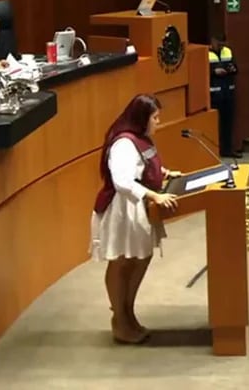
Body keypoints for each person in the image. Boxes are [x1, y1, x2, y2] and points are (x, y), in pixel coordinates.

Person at [89, 94, 181, 344]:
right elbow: (122, 181)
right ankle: (119, 318)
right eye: (155, 117)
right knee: (122, 262)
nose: (158, 122)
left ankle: (128, 313)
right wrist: (154, 195)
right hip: (123, 209)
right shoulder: (123, 144)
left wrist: (163, 173)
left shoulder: (141, 140)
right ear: (141, 118)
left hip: (139, 207)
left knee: (140, 258)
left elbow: (144, 166)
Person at [207, 33, 239, 157]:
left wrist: (232, 69)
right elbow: (201, 71)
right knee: (215, 125)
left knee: (228, 123)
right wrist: (213, 71)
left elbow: (236, 68)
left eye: (222, 43)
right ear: (212, 41)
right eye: (218, 43)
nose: (220, 46)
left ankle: (228, 150)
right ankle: (216, 151)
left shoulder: (227, 51)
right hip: (214, 95)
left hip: (228, 92)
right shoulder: (206, 53)